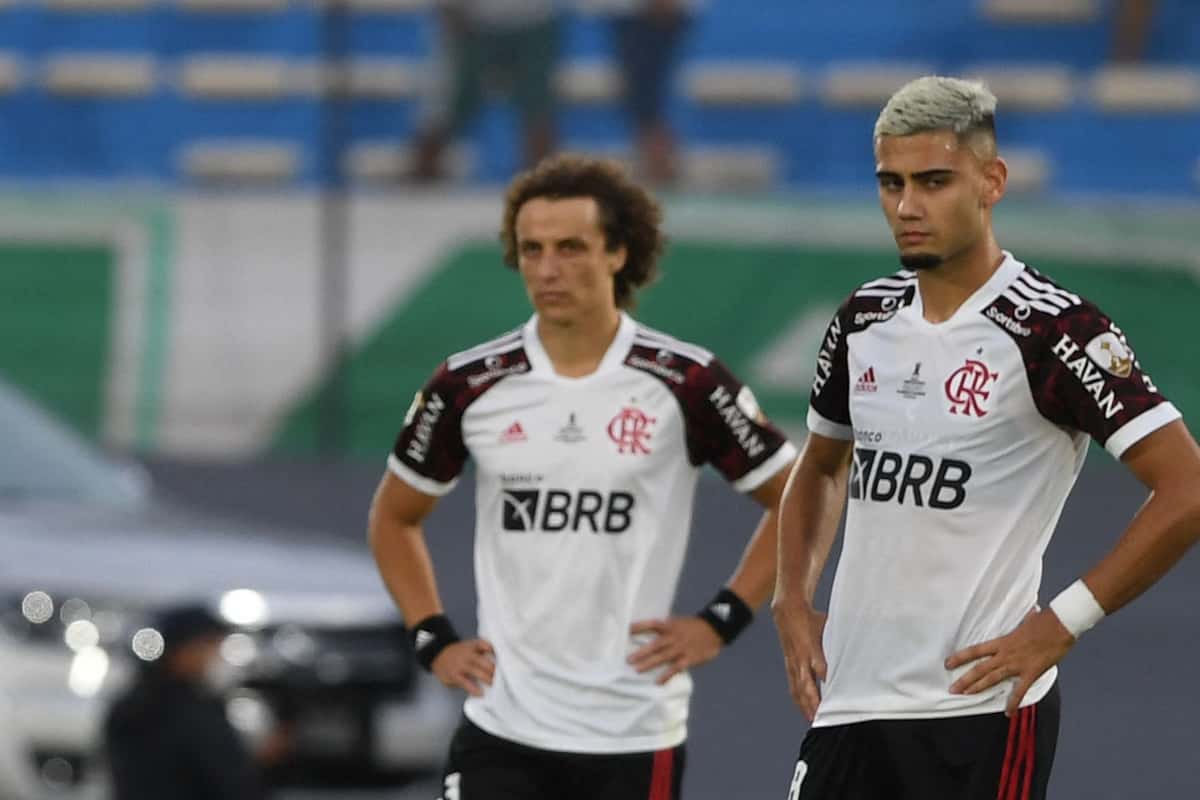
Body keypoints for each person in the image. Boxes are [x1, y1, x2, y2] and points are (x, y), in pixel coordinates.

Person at [771, 75, 1200, 800]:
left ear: (991, 181)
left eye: (934, 181)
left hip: (976, 712)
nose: (908, 206)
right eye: (891, 183)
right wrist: (790, 596)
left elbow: (1186, 488)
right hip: (848, 703)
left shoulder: (1054, 330)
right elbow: (820, 466)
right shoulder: (863, 320)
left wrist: (1062, 624)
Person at [369, 153, 797, 799]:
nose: (547, 269)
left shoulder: (686, 382)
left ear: (618, 252)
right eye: (532, 249)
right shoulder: (468, 384)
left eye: (570, 248)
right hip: (501, 724)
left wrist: (722, 619)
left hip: (632, 730)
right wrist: (433, 637)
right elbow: (394, 517)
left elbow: (798, 498)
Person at [104, 605, 288, 800]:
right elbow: (225, 780)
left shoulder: (131, 705)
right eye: (210, 646)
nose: (216, 657)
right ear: (184, 649)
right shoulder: (189, 712)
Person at [411, 0, 563, 181]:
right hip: (477, 23)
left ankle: (544, 178)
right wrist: (448, 9)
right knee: (453, 98)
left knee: (536, 101)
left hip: (534, 19)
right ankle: (424, 169)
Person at [610, 0, 697, 184]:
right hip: (630, 12)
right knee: (642, 97)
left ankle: (660, 169)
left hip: (653, 12)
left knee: (648, 98)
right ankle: (657, 168)